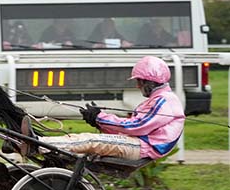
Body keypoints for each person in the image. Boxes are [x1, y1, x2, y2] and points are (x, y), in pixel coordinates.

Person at [20, 56, 185, 160]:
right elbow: (130, 128)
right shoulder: (159, 99)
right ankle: (40, 145)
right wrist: (99, 123)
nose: (137, 85)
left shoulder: (165, 101)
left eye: (139, 81)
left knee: (91, 141)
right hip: (141, 144)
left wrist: (100, 117)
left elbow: (136, 127)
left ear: (150, 81)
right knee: (87, 138)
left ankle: (38, 144)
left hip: (144, 147)